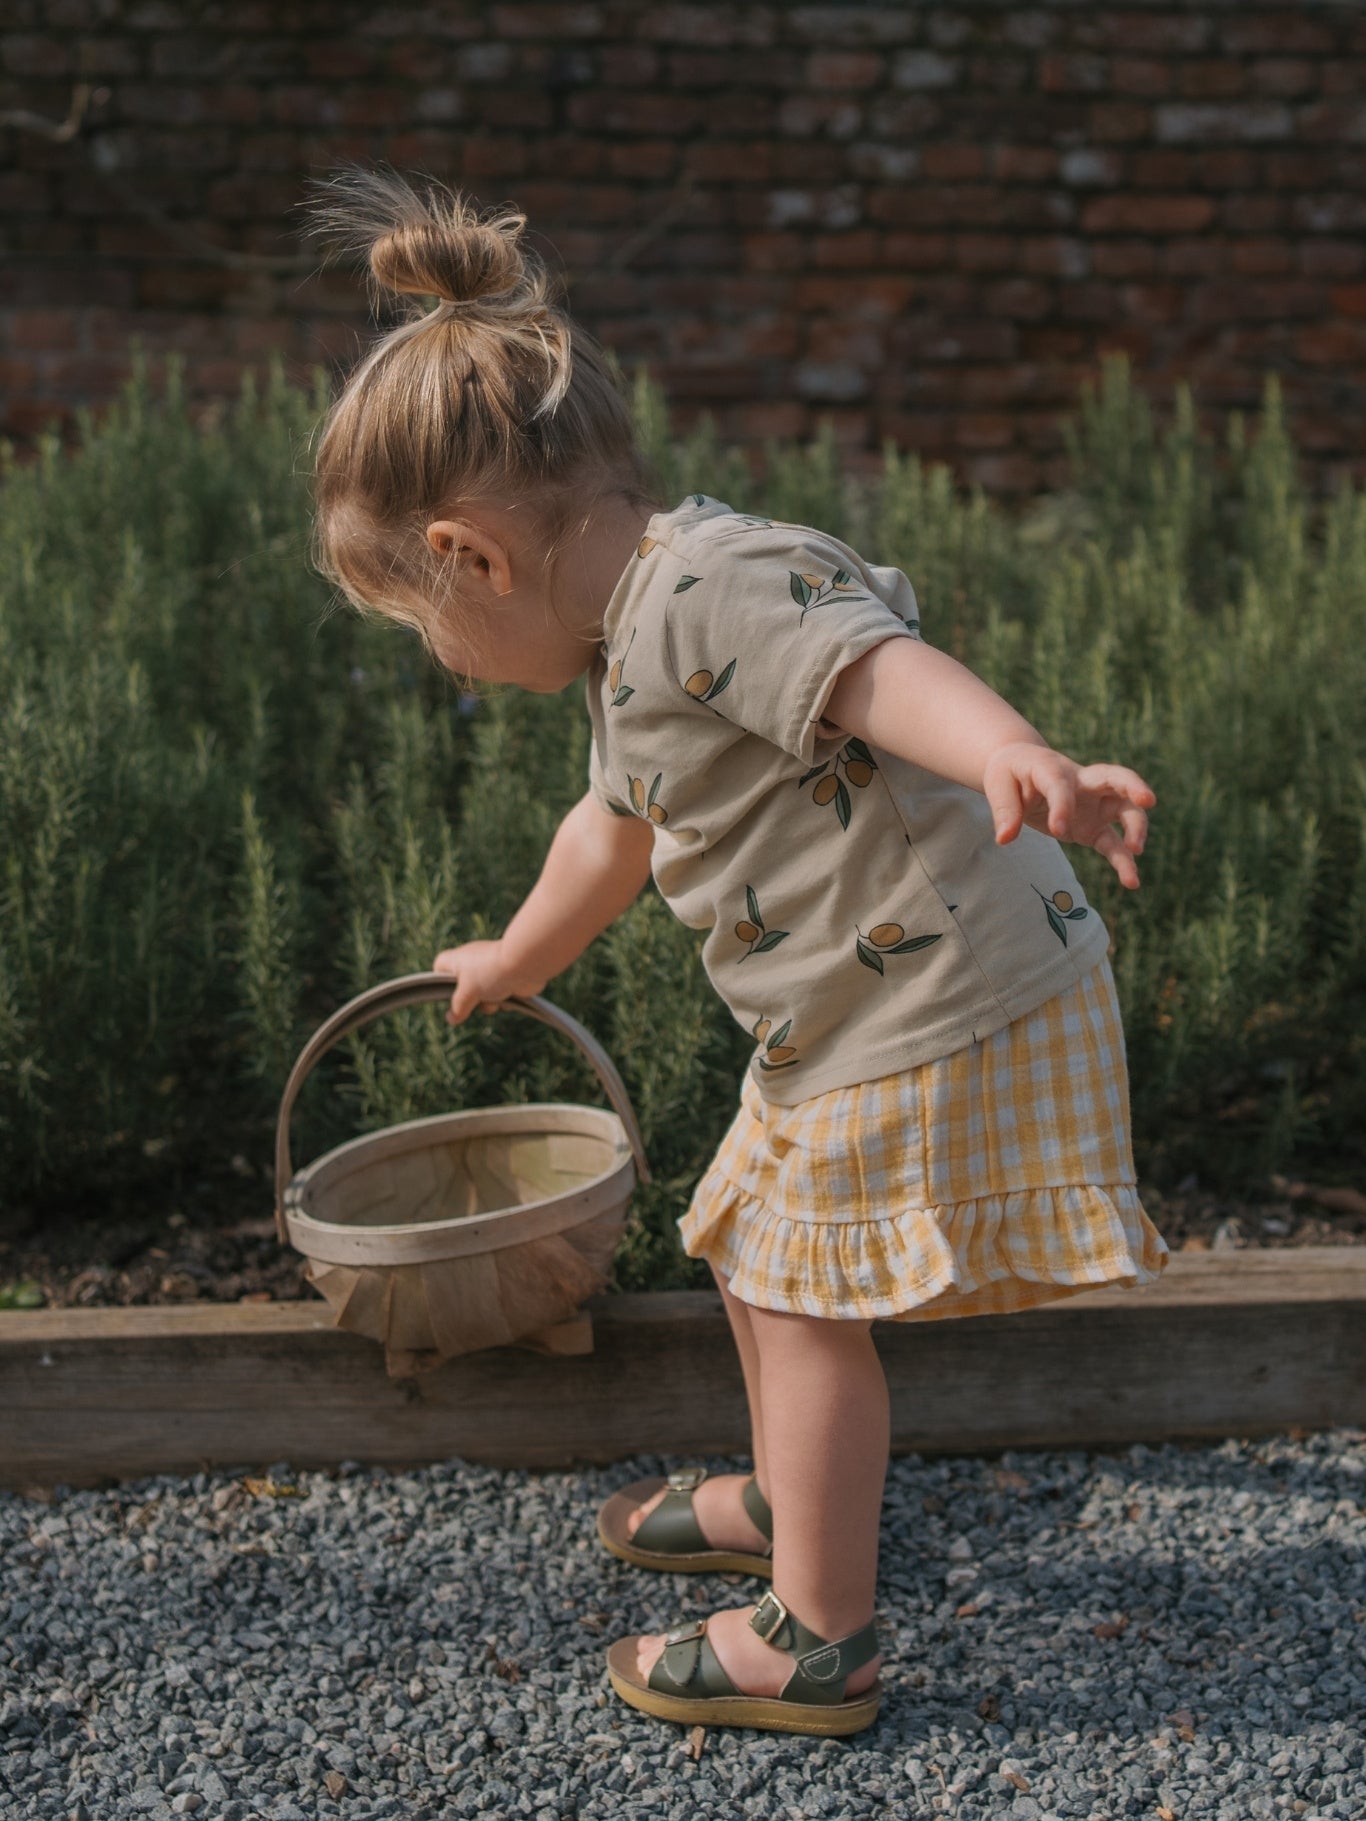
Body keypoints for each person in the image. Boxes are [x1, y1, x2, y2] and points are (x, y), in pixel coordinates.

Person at [304, 167, 1167, 1739]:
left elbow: (874, 668)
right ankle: (791, 1494)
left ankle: (817, 1637)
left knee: (793, 1286)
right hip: (854, 1011)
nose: (448, 661)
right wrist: (516, 954)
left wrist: (1011, 750)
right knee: (747, 1241)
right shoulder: (629, 642)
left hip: (934, 995)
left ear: (470, 554)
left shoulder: (710, 588)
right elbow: (609, 832)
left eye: (427, 629)